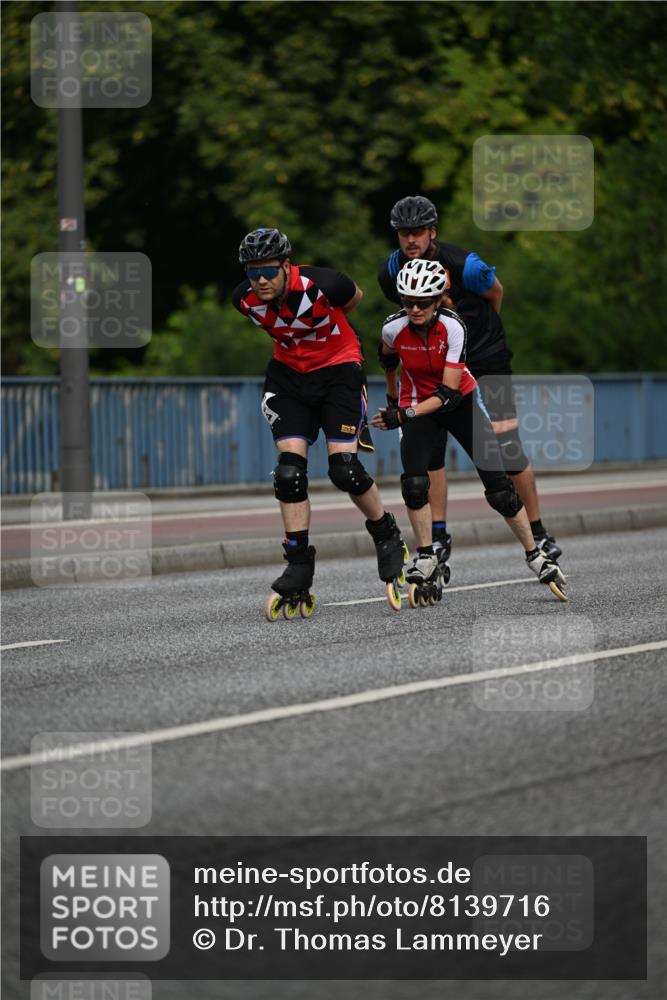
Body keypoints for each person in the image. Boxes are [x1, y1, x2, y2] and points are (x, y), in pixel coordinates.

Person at [377, 195, 562, 570]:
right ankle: (438, 535)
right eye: (403, 233)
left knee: (506, 446)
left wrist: (480, 336)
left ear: (432, 232)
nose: (411, 240)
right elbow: (406, 317)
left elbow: (497, 292)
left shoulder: (465, 265)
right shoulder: (391, 270)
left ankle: (539, 531)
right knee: (430, 448)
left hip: (483, 355)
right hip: (435, 360)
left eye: (418, 232)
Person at [232, 227, 406, 618]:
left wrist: (324, 337)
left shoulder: (324, 284)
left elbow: (355, 299)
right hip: (289, 377)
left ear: (286, 265)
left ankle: (386, 533)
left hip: (338, 370)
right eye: (252, 272)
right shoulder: (243, 300)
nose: (260, 280)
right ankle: (298, 564)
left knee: (344, 469)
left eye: (269, 271)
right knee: (288, 474)